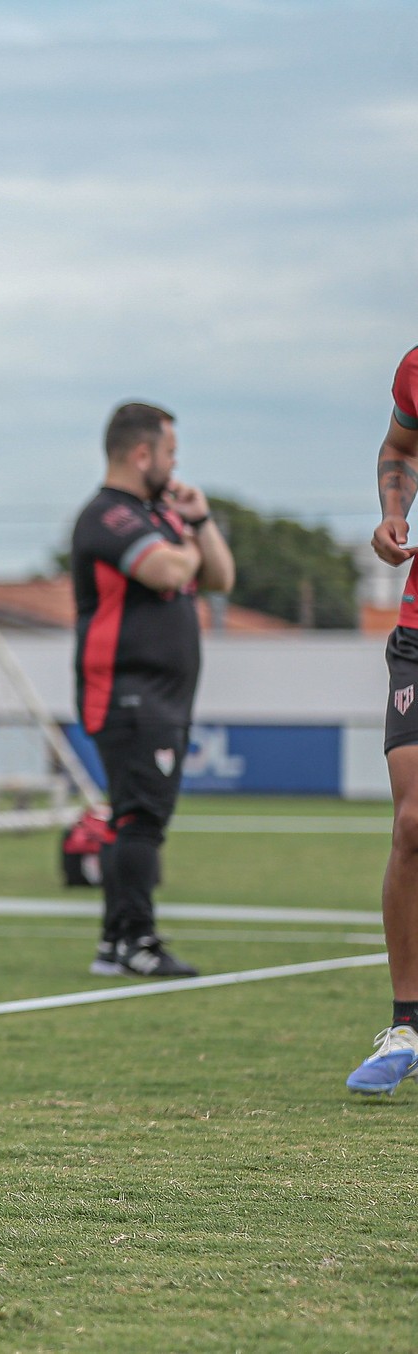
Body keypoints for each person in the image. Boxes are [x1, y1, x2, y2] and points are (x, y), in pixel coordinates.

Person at [69, 402, 233, 978]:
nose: (174, 464)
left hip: (160, 696)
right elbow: (166, 571)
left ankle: (116, 943)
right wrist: (184, 549)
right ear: (142, 455)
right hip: (127, 692)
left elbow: (219, 577)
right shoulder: (108, 516)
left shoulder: (161, 515)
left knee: (133, 817)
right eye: (169, 453)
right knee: (140, 819)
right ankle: (137, 941)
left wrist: (200, 519)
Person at [349, 344, 418, 1094]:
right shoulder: (416, 367)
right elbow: (399, 446)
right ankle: (405, 1024)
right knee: (411, 825)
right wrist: (392, 513)